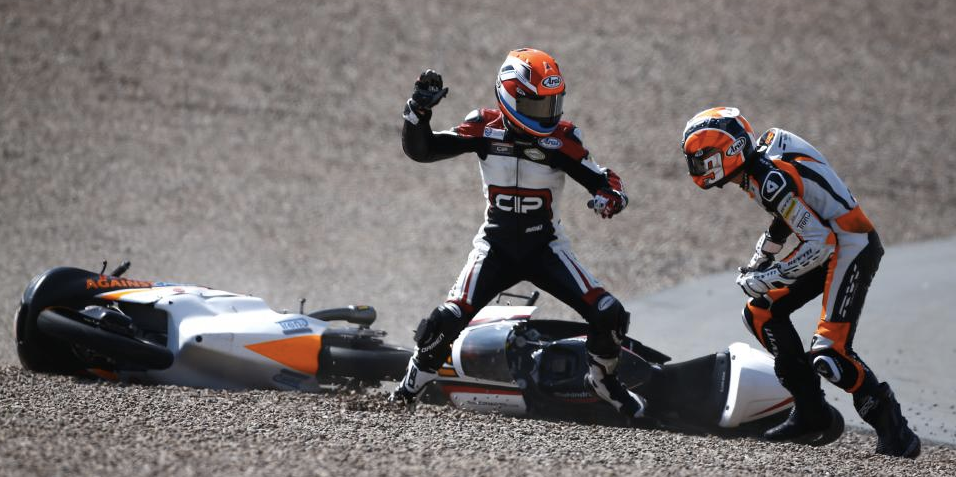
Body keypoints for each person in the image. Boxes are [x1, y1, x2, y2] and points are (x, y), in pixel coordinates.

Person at [389, 48, 648, 422]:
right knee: (443, 321)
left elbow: (604, 180)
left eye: (552, 104)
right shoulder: (483, 126)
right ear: (509, 97)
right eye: (537, 105)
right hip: (494, 248)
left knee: (609, 314)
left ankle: (603, 382)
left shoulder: (563, 138)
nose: (547, 114)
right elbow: (422, 150)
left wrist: (610, 199)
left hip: (546, 248)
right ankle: (407, 390)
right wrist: (417, 111)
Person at [680, 106, 920, 458]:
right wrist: (761, 256)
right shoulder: (757, 168)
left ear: (730, 151)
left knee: (830, 354)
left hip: (851, 246)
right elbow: (790, 213)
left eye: (703, 158)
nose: (697, 167)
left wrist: (768, 275)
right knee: (760, 313)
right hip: (832, 244)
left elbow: (820, 243)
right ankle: (811, 413)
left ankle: (896, 433)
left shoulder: (768, 176)